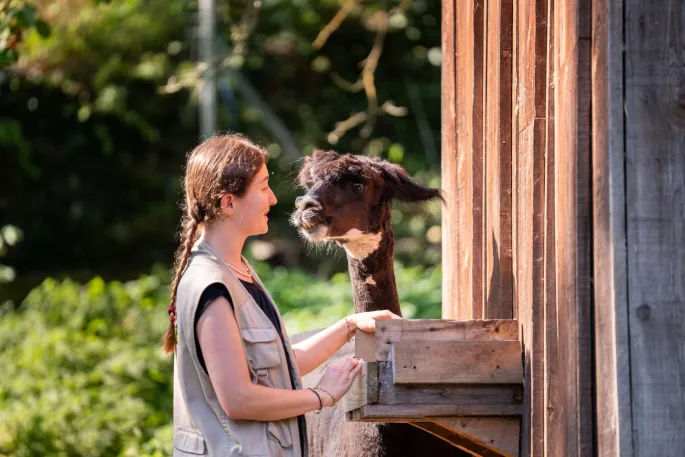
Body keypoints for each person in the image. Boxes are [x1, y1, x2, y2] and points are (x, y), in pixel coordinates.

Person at [162, 134, 400, 457]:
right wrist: (321, 396)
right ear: (228, 203)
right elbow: (238, 399)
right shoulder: (211, 288)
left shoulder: (237, 271)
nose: (273, 199)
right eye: (262, 188)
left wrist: (348, 327)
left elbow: (281, 365)